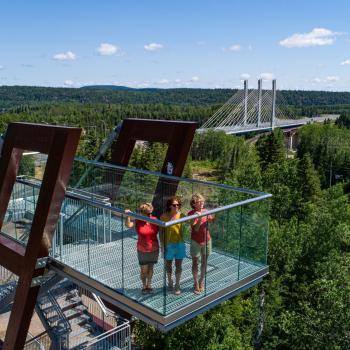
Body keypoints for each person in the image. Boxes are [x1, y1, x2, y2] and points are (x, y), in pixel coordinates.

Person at [125, 203, 159, 294]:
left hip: (154, 248)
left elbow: (162, 230)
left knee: (151, 269)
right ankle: (144, 286)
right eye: (148, 213)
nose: (150, 215)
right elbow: (128, 225)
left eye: (151, 213)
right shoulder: (138, 221)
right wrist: (128, 216)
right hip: (142, 249)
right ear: (142, 213)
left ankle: (149, 285)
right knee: (144, 270)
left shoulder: (155, 220)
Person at [188, 193, 215, 294]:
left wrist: (217, 213)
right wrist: (199, 218)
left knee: (204, 261)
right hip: (196, 241)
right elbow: (195, 228)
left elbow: (212, 220)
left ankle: (201, 281)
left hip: (207, 240)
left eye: (203, 201)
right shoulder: (191, 214)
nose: (202, 203)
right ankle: (196, 283)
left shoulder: (205, 211)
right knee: (195, 262)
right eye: (200, 202)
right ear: (194, 204)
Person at [160, 196, 186, 295]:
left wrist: (198, 215)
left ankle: (177, 284)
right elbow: (161, 232)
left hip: (179, 244)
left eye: (178, 205)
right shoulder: (164, 217)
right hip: (168, 244)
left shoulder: (182, 215)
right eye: (174, 205)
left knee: (178, 265)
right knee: (168, 265)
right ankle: (170, 281)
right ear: (169, 206)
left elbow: (190, 222)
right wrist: (162, 245)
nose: (177, 207)